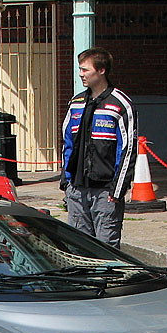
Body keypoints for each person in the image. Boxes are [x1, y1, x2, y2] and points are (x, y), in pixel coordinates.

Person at [59, 47, 137, 248]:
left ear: (101, 70)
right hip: (77, 189)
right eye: (80, 69)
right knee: (78, 247)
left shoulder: (120, 104)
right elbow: (67, 143)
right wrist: (66, 181)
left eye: (85, 69)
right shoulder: (76, 103)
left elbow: (128, 149)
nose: (81, 74)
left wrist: (117, 190)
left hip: (105, 191)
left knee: (106, 248)